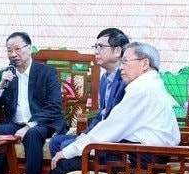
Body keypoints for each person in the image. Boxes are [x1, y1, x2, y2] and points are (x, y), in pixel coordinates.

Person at [14, 42, 181, 174]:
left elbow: (109, 130)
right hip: (142, 154)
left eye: (126, 61)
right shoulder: (149, 85)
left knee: (66, 163)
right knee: (71, 156)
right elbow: (108, 125)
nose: (121, 67)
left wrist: (69, 151)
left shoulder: (143, 90)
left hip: (141, 159)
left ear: (144, 63)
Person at [0, 32, 64, 174]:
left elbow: (54, 106)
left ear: (29, 48)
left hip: (41, 122)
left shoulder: (47, 72)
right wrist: (1, 86)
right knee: (1, 132)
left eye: (17, 49)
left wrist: (28, 125)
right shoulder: (6, 73)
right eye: (9, 50)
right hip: (15, 122)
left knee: (32, 135)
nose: (13, 54)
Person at [48, 27, 129, 156]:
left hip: (113, 139)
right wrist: (86, 133)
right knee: (56, 142)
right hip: (99, 133)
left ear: (118, 51)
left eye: (100, 47)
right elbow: (101, 114)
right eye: (95, 47)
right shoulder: (104, 79)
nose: (96, 52)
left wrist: (90, 137)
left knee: (65, 145)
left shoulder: (126, 79)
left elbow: (115, 120)